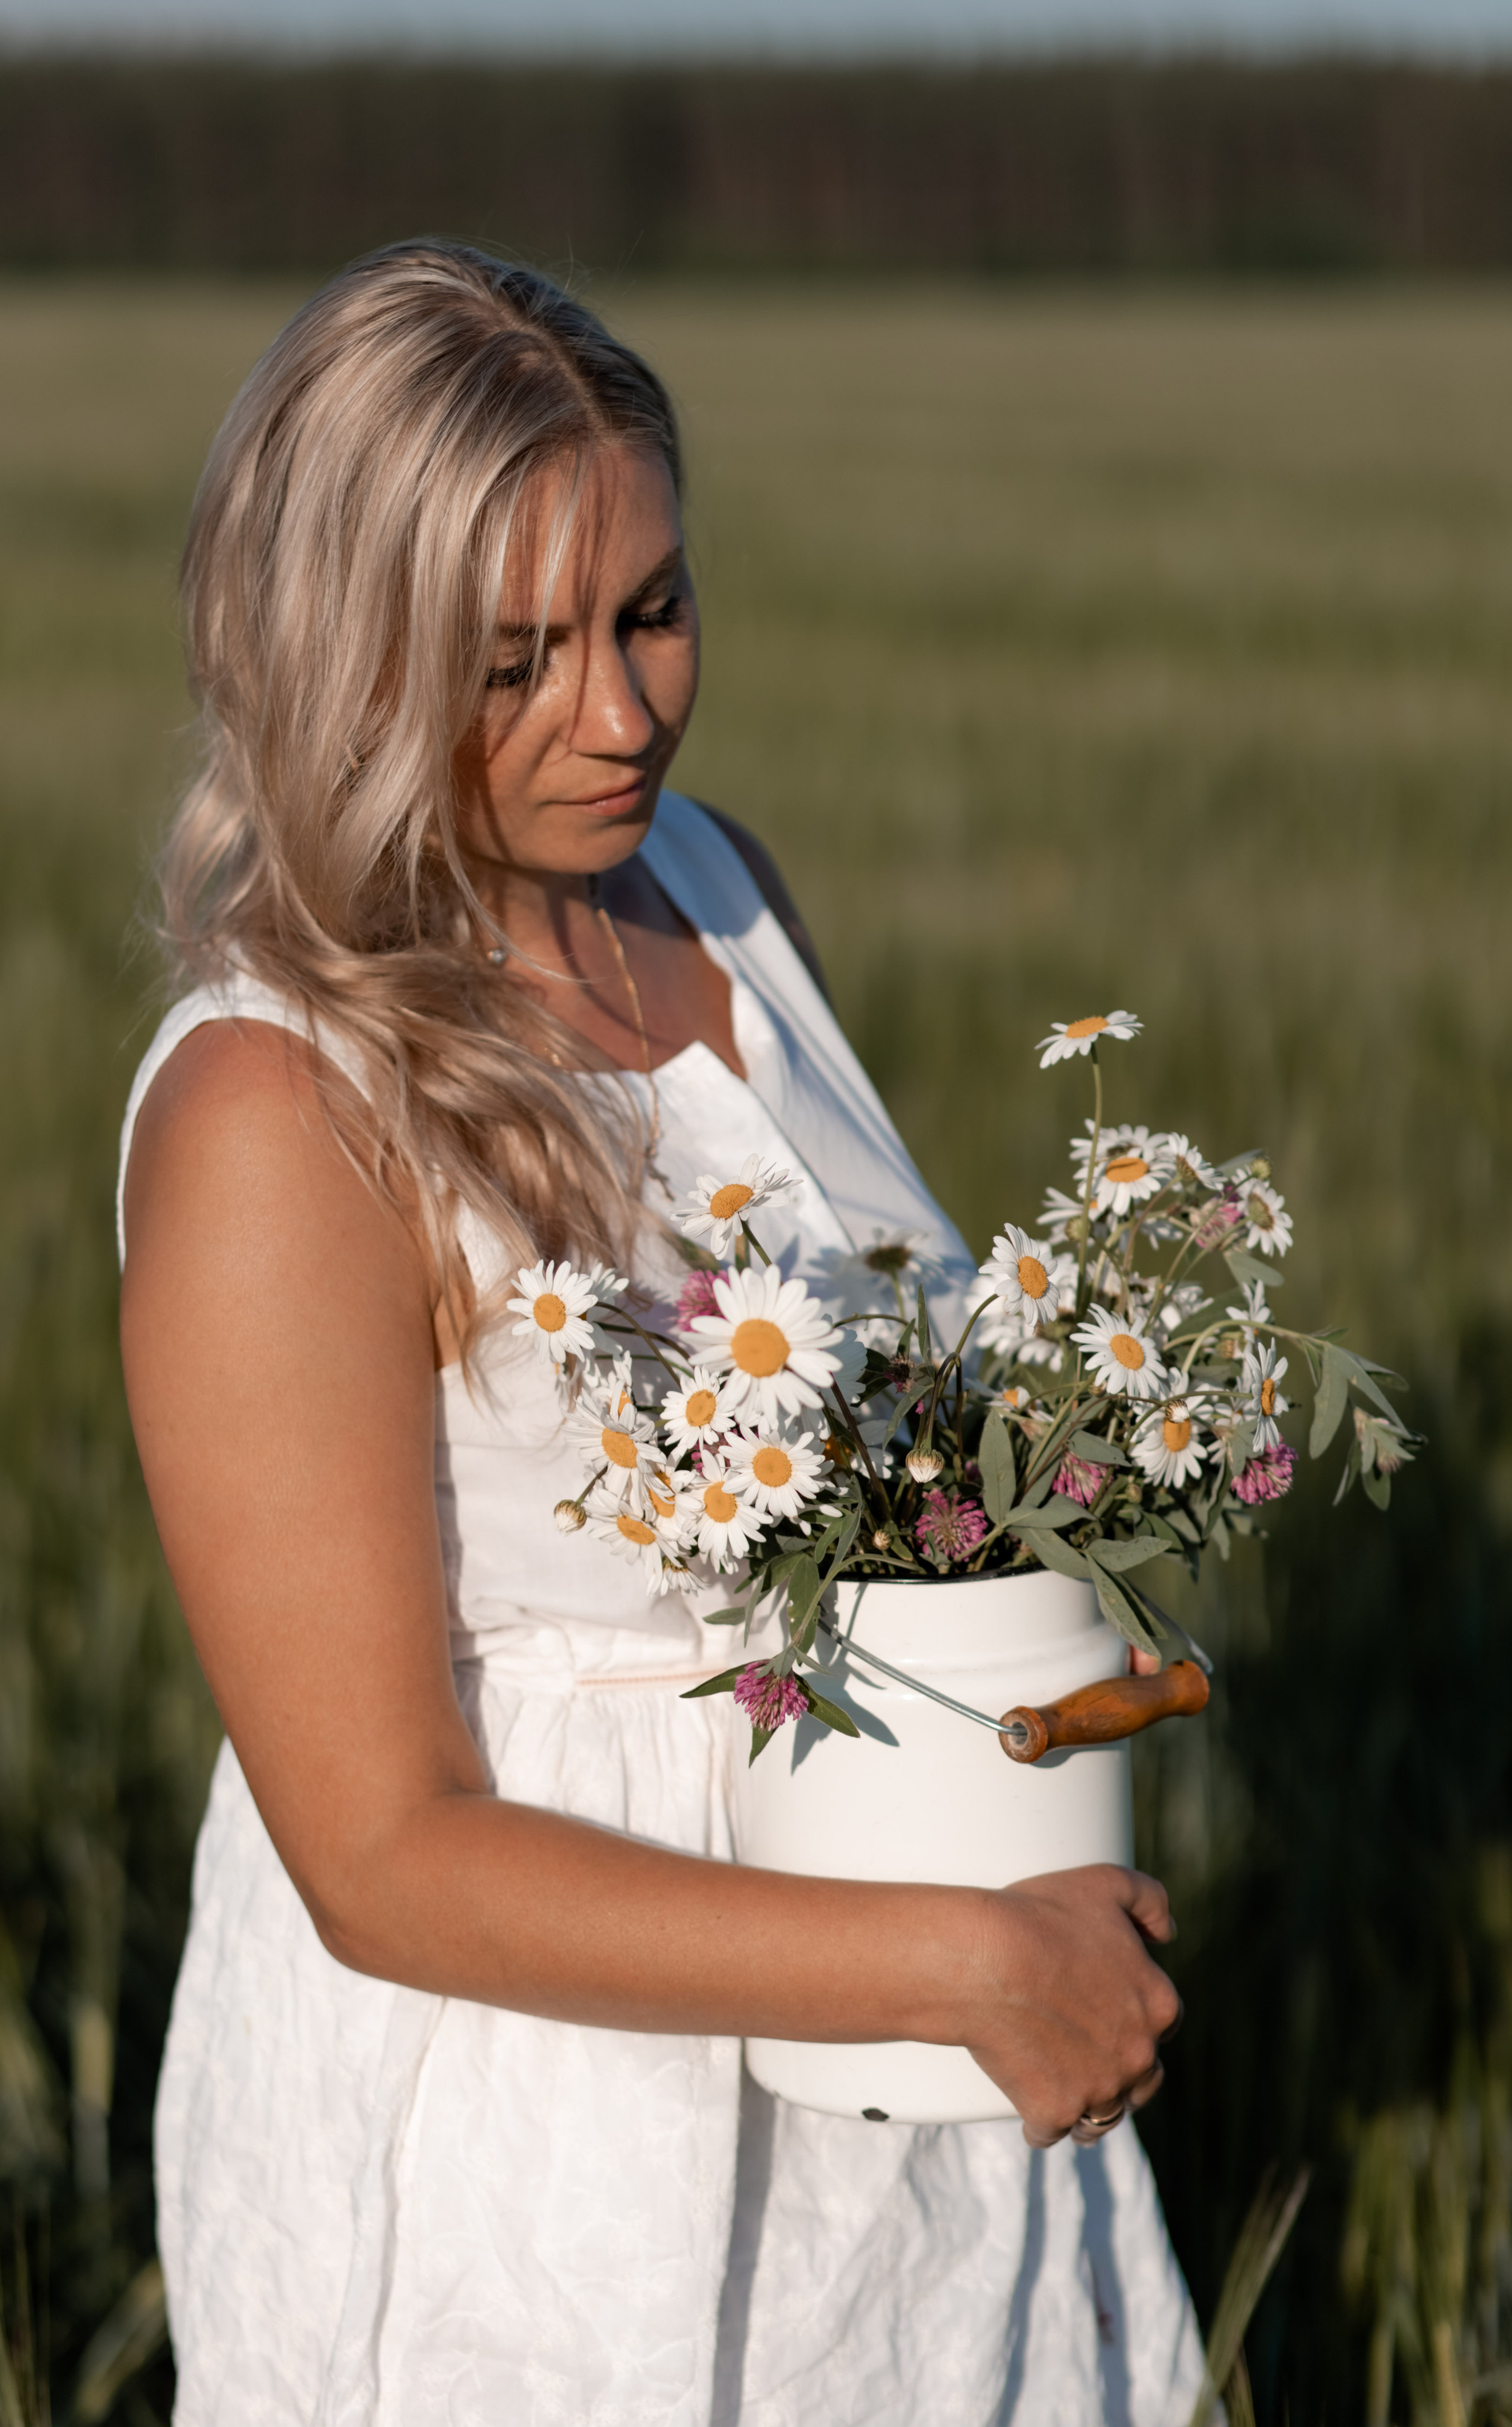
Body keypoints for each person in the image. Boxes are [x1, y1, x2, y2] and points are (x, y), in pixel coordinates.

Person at [118, 240, 1206, 2424]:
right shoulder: (278, 1104)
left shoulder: (717, 891)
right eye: (517, 657)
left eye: (651, 609)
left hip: (889, 2118)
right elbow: (384, 1857)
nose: (622, 713)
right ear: (343, 657)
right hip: (546, 2181)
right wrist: (962, 1964)